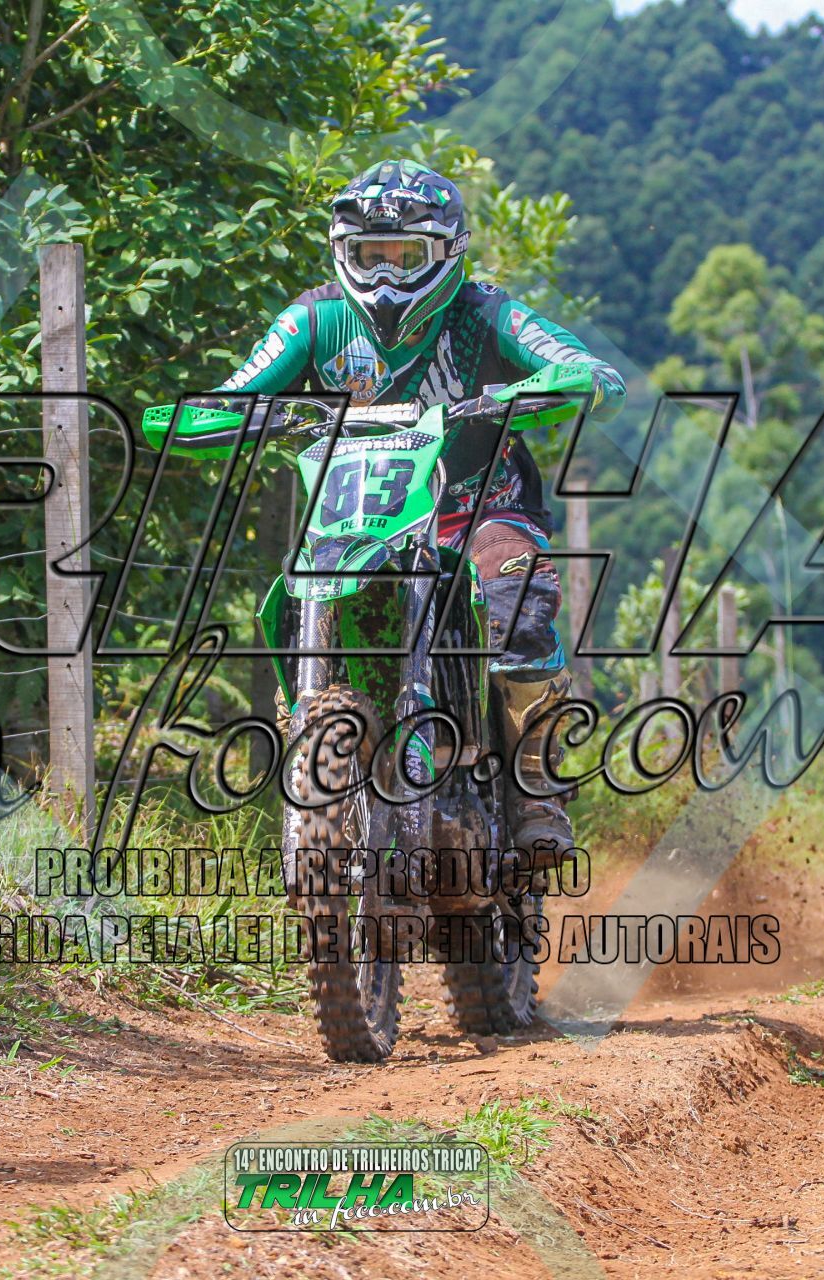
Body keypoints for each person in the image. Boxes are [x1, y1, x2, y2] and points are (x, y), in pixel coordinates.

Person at [207, 158, 627, 853]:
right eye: (369, 255)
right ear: (342, 252)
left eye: (405, 256)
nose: (385, 275)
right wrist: (212, 416)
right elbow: (238, 389)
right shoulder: (315, 320)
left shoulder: (486, 315)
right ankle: (317, 735)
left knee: (517, 600)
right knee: (298, 600)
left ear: (448, 252)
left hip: (478, 508)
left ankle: (534, 785)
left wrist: (560, 383)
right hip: (357, 518)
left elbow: (582, 365)